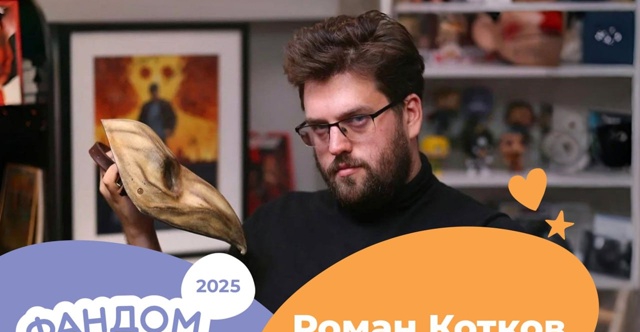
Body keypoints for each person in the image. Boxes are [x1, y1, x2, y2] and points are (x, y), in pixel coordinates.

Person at [100, 10, 522, 313]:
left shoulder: (488, 244)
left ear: (410, 114)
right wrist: (139, 231)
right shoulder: (274, 228)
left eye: (357, 120)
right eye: (319, 127)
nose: (335, 145)